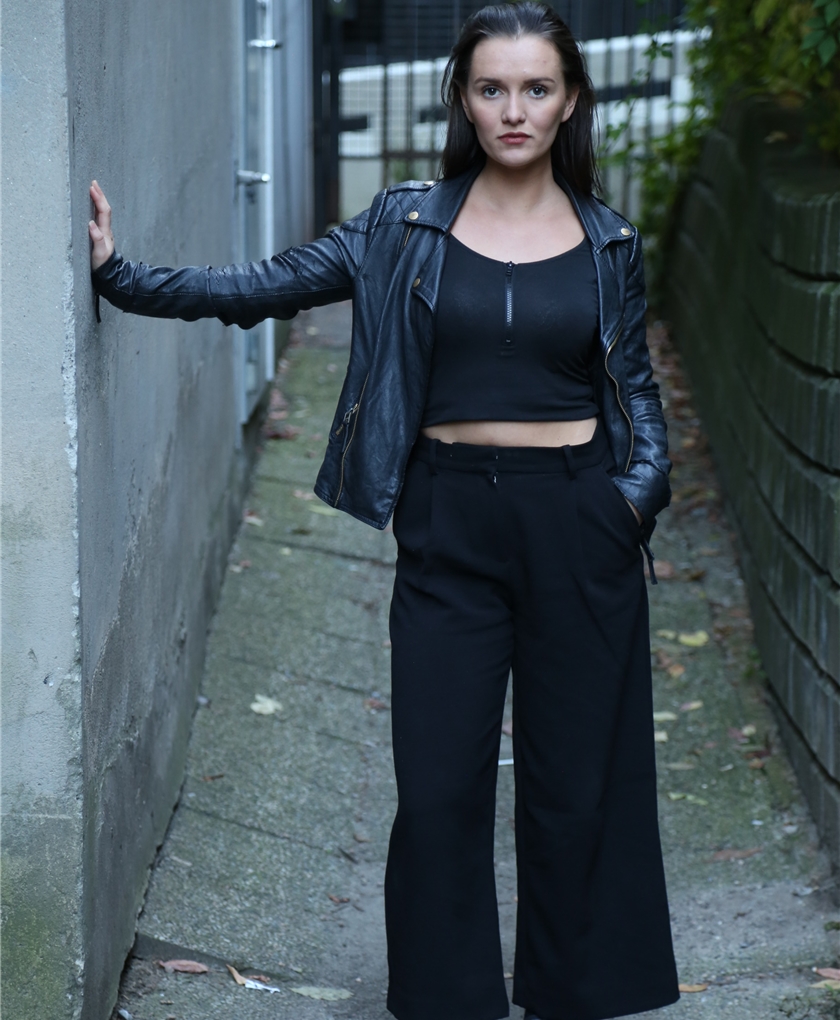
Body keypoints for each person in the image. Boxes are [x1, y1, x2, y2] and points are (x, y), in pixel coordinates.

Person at [90, 4, 679, 1018]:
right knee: (441, 788)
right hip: (450, 526)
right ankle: (450, 999)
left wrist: (630, 506)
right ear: (463, 99)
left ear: (570, 100)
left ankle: (574, 994)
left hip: (579, 522)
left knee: (578, 788)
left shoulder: (608, 242)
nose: (514, 110)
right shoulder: (402, 225)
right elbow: (264, 285)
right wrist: (121, 276)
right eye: (492, 88)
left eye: (536, 89)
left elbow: (639, 399)